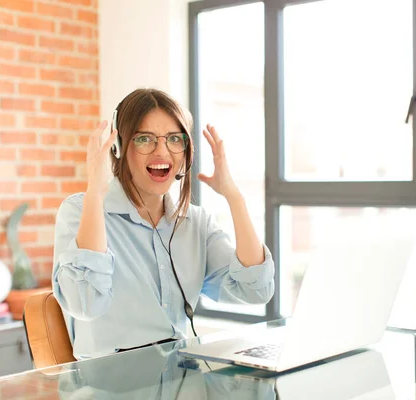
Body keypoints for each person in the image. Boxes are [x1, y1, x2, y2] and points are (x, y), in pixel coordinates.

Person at [52, 88, 275, 360]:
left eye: (174, 139)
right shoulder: (80, 211)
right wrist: (95, 193)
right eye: (145, 139)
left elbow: (255, 290)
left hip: (180, 383)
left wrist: (234, 197)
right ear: (119, 147)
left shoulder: (196, 223)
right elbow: (85, 302)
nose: (162, 151)